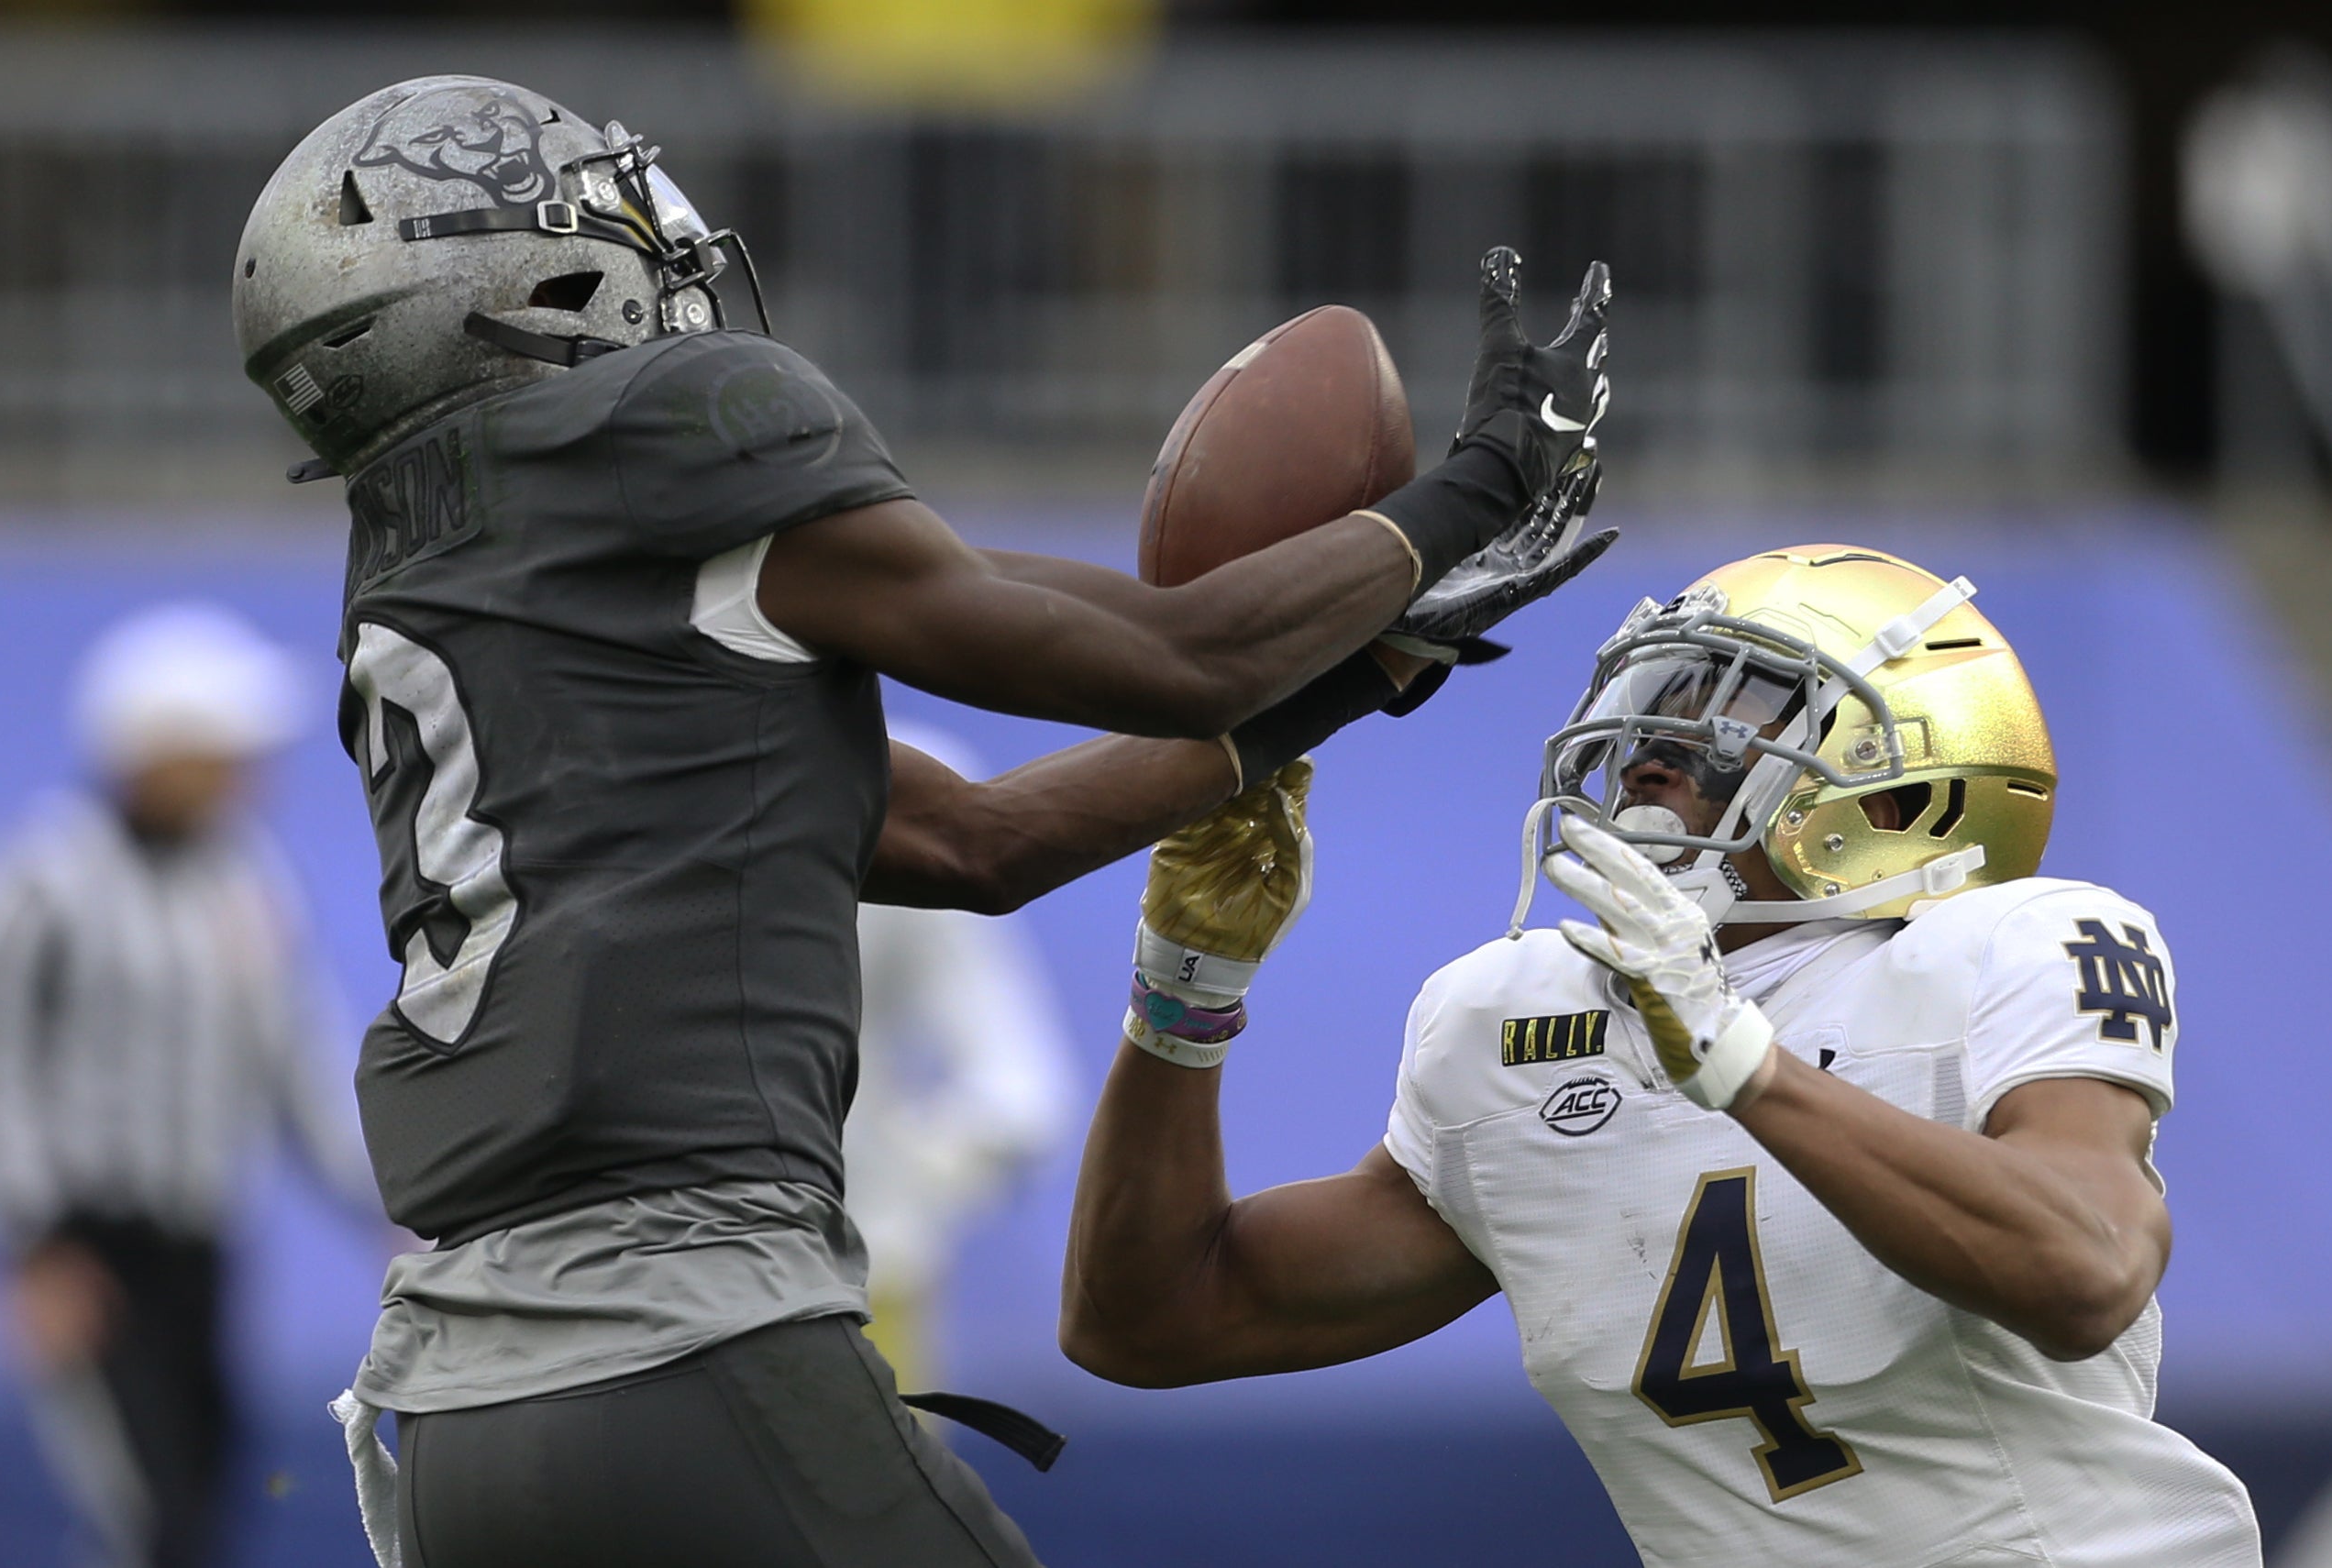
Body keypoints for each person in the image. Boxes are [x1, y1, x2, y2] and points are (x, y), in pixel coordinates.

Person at [232, 74, 1617, 1568]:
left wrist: (1365, 664)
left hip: (464, 1428)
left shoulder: (448, 564)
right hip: (688, 1342)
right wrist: (1477, 486)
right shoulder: (673, 423)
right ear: (519, 275)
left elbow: (973, 845)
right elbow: (1176, 656)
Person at [1063, 545, 2266, 1567]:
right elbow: (1152, 1317)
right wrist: (1188, 983)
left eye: (1739, 698)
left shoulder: (2009, 941)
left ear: (1905, 779)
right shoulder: (1515, 1016)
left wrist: (1744, 1063)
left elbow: (2087, 1271)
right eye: (1664, 685)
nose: (1656, 737)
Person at [0, 602, 376, 1568]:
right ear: (151, 748)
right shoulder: (38, 878)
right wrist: (31, 1245)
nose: (246, 773)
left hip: (205, 1242)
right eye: (220, 747)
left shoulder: (245, 880)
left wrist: (392, 1203)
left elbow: (296, 1061)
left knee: (210, 1490)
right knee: (150, 1510)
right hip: (92, 1245)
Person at [847, 723, 1074, 1390]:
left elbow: (1021, 1086)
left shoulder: (894, 784)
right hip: (597, 1299)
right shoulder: (552, 765)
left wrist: (897, 1181)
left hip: (852, 1283)